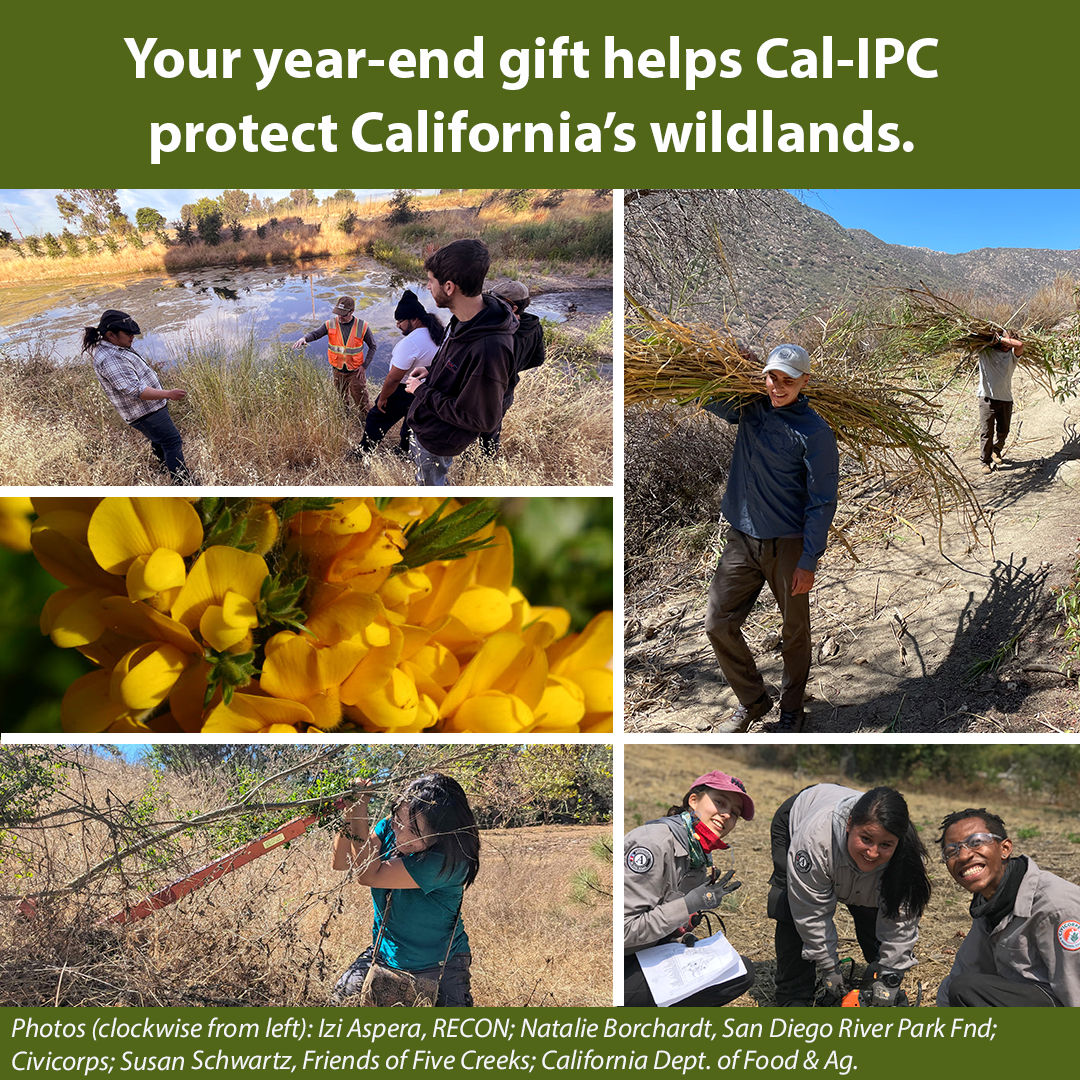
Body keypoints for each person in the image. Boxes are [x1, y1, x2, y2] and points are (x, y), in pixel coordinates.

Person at [703, 344, 839, 734]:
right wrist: (725, 360)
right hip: (742, 538)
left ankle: (791, 709)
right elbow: (705, 396)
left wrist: (809, 560)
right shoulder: (750, 408)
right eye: (772, 377)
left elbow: (822, 501)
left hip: (788, 545)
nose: (777, 387)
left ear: (804, 382)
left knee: (794, 632)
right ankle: (753, 702)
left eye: (787, 381)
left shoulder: (815, 432)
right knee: (717, 622)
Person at [768, 784, 931, 1007]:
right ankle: (794, 995)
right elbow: (809, 912)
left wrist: (890, 975)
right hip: (802, 816)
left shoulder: (908, 860)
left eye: (885, 844)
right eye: (866, 839)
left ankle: (876, 976)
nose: (873, 852)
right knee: (790, 908)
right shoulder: (814, 840)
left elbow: (900, 922)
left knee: (872, 906)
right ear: (848, 824)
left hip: (859, 848)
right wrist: (829, 967)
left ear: (898, 841)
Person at [331, 773, 480, 1007]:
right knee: (339, 1003)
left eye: (415, 832)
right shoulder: (389, 829)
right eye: (398, 820)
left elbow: (368, 875)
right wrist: (351, 811)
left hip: (440, 962)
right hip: (385, 953)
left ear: (443, 832)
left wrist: (360, 812)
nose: (401, 834)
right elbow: (341, 861)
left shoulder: (448, 862)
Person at [624, 770, 756, 1007]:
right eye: (719, 802)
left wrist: (678, 930)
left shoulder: (697, 853)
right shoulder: (652, 844)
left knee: (740, 970)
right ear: (693, 800)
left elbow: (658, 914)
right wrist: (688, 904)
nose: (726, 815)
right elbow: (622, 932)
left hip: (645, 953)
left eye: (734, 813)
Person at [935, 807, 1080, 1006]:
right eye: (952, 851)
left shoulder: (1055, 907)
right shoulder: (990, 905)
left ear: (1005, 849)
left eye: (976, 842)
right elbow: (966, 968)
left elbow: (1075, 988)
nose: (963, 856)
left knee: (967, 989)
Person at [404, 239, 516, 485]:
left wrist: (421, 390)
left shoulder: (490, 348)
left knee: (430, 488)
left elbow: (482, 419)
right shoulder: (465, 319)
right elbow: (461, 368)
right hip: (428, 427)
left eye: (430, 282)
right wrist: (433, 370)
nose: (428, 287)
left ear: (449, 287)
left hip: (439, 439)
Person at [81, 309, 192, 484]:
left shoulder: (114, 346)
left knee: (160, 440)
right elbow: (134, 390)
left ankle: (164, 467)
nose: (132, 337)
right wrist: (168, 394)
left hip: (149, 409)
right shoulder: (110, 358)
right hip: (145, 412)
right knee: (172, 441)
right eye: (128, 333)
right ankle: (184, 484)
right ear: (110, 334)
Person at [357, 290, 445, 456]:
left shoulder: (410, 343)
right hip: (427, 388)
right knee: (411, 421)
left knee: (375, 418)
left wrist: (382, 398)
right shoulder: (440, 333)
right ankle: (404, 451)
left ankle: (364, 452)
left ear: (414, 319)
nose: (397, 325)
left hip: (404, 389)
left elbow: (393, 379)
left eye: (400, 321)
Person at [477, 279, 546, 456]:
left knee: (471, 433)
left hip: (484, 393)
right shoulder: (534, 326)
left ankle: (475, 470)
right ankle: (485, 466)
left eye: (496, 301)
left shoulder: (501, 332)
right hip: (507, 391)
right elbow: (538, 359)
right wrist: (515, 367)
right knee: (491, 435)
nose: (490, 304)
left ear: (513, 308)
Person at [293, 295, 378, 419]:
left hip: (355, 372)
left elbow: (373, 346)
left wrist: (364, 366)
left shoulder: (362, 326)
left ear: (352, 312)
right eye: (338, 313)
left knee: (362, 402)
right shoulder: (330, 324)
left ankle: (369, 423)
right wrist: (304, 338)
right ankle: (346, 418)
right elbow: (316, 334)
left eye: (343, 314)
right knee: (343, 398)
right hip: (337, 371)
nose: (340, 317)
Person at [976, 331, 1023, 475]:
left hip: (1006, 399)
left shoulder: (1012, 356)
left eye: (1009, 343)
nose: (1006, 346)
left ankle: (996, 450)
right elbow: (973, 344)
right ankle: (985, 461)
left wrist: (1003, 339)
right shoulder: (985, 351)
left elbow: (1020, 345)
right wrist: (993, 339)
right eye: (1004, 343)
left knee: (1004, 430)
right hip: (987, 398)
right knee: (986, 432)